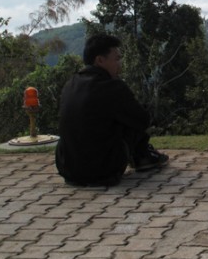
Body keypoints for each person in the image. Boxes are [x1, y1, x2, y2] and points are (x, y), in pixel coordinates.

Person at [55, 34, 169, 187]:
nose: (120, 64)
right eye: (116, 59)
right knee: (130, 119)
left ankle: (142, 156)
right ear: (100, 60)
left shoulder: (70, 84)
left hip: (68, 170)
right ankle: (143, 157)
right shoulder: (112, 87)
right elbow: (143, 120)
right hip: (102, 171)